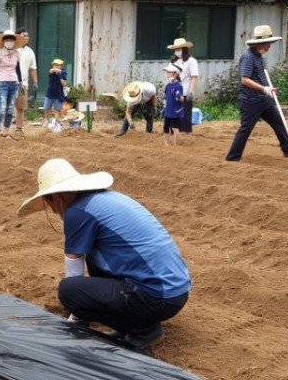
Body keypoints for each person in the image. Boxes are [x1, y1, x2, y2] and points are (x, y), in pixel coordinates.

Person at [18, 159, 191, 350]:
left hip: (156, 297)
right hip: (175, 292)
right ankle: (131, 321)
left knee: (69, 290)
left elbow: (73, 266)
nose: (52, 208)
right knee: (93, 259)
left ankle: (141, 329)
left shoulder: (77, 211)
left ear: (57, 197)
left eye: (49, 201)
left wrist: (76, 312)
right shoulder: (105, 198)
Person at [226, 25, 288, 161]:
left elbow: (260, 77)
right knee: (245, 129)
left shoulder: (259, 56)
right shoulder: (248, 57)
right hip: (250, 101)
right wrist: (263, 89)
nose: (270, 46)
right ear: (260, 43)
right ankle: (232, 158)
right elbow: (245, 79)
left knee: (279, 122)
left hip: (264, 99)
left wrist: (268, 89)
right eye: (269, 43)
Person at [0, 29, 25, 137]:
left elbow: (18, 69)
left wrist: (21, 82)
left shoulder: (17, 53)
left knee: (10, 109)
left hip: (14, 83)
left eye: (11, 39)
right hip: (2, 83)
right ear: (4, 41)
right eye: (7, 39)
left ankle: (6, 131)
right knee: (1, 108)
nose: (9, 41)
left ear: (14, 41)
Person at [168, 38, 198, 133]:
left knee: (185, 114)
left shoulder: (191, 61)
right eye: (176, 49)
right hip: (174, 92)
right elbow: (168, 76)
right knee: (173, 113)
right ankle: (174, 133)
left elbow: (194, 76)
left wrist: (191, 91)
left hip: (185, 92)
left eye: (179, 49)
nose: (177, 51)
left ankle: (185, 134)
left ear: (184, 49)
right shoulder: (173, 61)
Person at [14, 27, 38, 138]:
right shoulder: (12, 48)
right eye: (24, 35)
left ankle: (19, 129)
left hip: (23, 84)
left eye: (27, 35)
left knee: (20, 107)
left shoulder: (30, 51)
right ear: (18, 36)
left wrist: (35, 82)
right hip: (9, 82)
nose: (27, 37)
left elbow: (33, 69)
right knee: (5, 107)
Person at [162, 63, 184, 146]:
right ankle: (166, 144)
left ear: (175, 74)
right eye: (166, 72)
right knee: (165, 127)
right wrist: (164, 105)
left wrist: (179, 98)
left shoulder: (179, 86)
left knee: (175, 128)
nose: (167, 74)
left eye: (169, 72)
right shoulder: (168, 85)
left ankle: (176, 146)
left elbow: (181, 99)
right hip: (168, 110)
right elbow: (166, 97)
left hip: (175, 111)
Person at [44, 58, 67, 126]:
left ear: (61, 66)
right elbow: (51, 70)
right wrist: (58, 71)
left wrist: (60, 76)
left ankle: (57, 121)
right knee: (47, 108)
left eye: (58, 65)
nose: (56, 66)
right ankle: (47, 120)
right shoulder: (51, 71)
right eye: (54, 65)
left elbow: (64, 84)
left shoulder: (63, 73)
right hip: (50, 93)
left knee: (58, 109)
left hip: (59, 94)